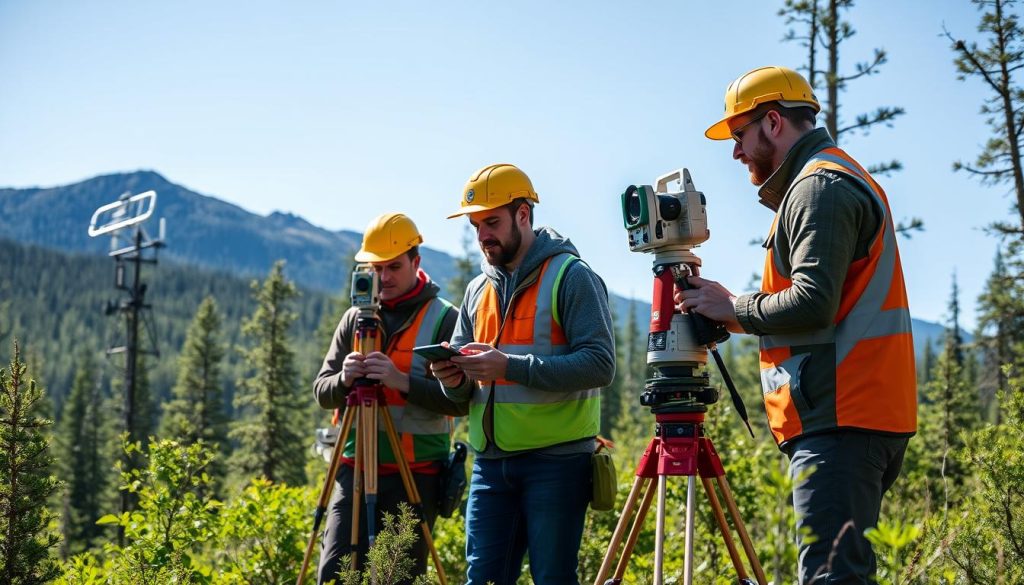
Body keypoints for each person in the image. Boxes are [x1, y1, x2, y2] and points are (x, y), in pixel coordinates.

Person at [677, 66, 917, 583]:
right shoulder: (832, 177)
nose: (736, 153)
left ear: (772, 122)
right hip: (854, 412)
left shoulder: (819, 187)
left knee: (832, 577)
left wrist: (733, 307)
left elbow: (813, 303)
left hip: (842, 417)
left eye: (739, 136)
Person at [429, 163, 615, 585]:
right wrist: (453, 378)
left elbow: (601, 364)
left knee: (552, 579)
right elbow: (462, 396)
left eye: (491, 222)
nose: (482, 236)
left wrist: (507, 366)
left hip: (558, 464)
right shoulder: (477, 290)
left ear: (524, 215)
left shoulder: (572, 276)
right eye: (476, 225)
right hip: (490, 466)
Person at [313, 212, 466, 585]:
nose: (385, 277)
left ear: (416, 261)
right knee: (334, 574)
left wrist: (401, 381)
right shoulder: (355, 319)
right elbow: (323, 391)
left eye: (394, 266)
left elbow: (461, 401)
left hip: (416, 472)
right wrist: (344, 379)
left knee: (397, 576)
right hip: (355, 466)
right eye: (376, 268)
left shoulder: (445, 319)